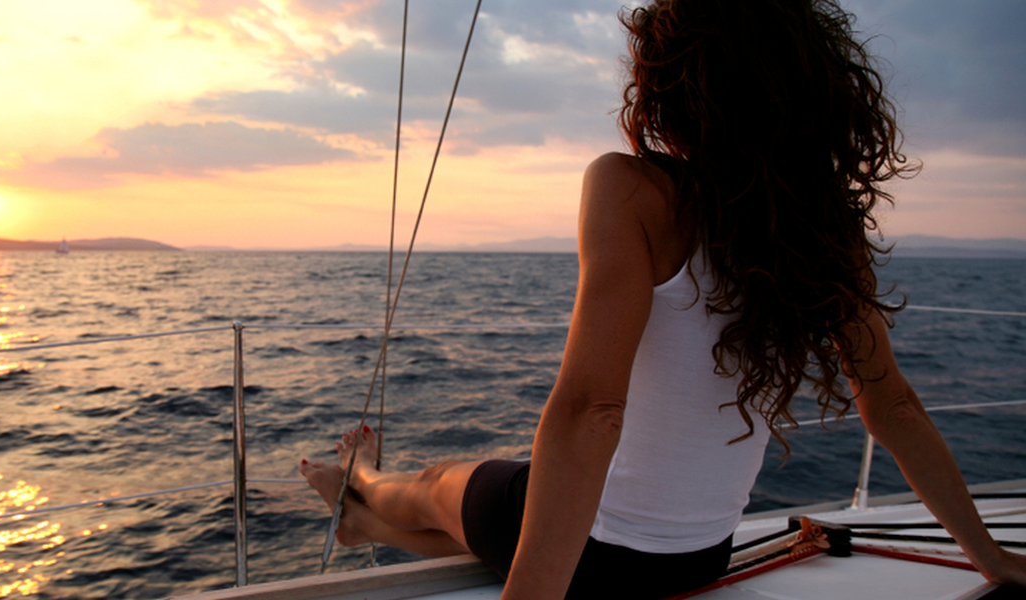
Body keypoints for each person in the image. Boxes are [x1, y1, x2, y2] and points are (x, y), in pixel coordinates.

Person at [300, 0, 1026, 597]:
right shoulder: (822, 234)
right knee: (488, 495)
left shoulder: (633, 190)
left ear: (678, 90)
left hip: (593, 556)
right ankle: (363, 522)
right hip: (695, 560)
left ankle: (360, 480)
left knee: (434, 487)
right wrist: (991, 560)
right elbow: (893, 405)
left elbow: (592, 411)